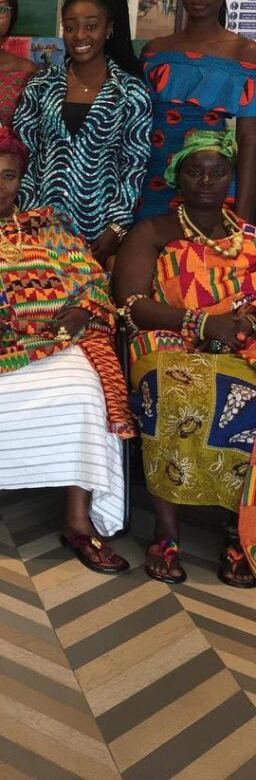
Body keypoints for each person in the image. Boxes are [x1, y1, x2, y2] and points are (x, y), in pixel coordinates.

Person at [0, 128, 135, 572]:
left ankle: (78, 521)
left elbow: (90, 277)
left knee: (85, 394)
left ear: (20, 181)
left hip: (52, 338)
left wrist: (81, 312)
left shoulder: (45, 224)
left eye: (8, 176)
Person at [115, 131, 256, 587]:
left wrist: (243, 323)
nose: (207, 181)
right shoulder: (153, 232)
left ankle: (240, 528)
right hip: (166, 338)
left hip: (240, 343)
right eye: (195, 172)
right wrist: (203, 323)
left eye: (218, 172)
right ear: (178, 177)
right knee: (176, 394)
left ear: (231, 177)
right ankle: (166, 529)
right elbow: (131, 304)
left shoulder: (248, 237)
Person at [13, 0, 149, 264]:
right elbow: (24, 154)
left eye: (91, 26)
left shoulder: (130, 91)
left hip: (101, 232)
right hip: (41, 227)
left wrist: (116, 227)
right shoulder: (41, 85)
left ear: (108, 29)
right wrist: (30, 215)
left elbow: (134, 164)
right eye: (70, 27)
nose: (79, 36)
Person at [140, 0, 256, 220]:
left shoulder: (246, 53)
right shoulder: (154, 51)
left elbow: (249, 140)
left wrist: (243, 216)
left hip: (209, 185)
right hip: (150, 180)